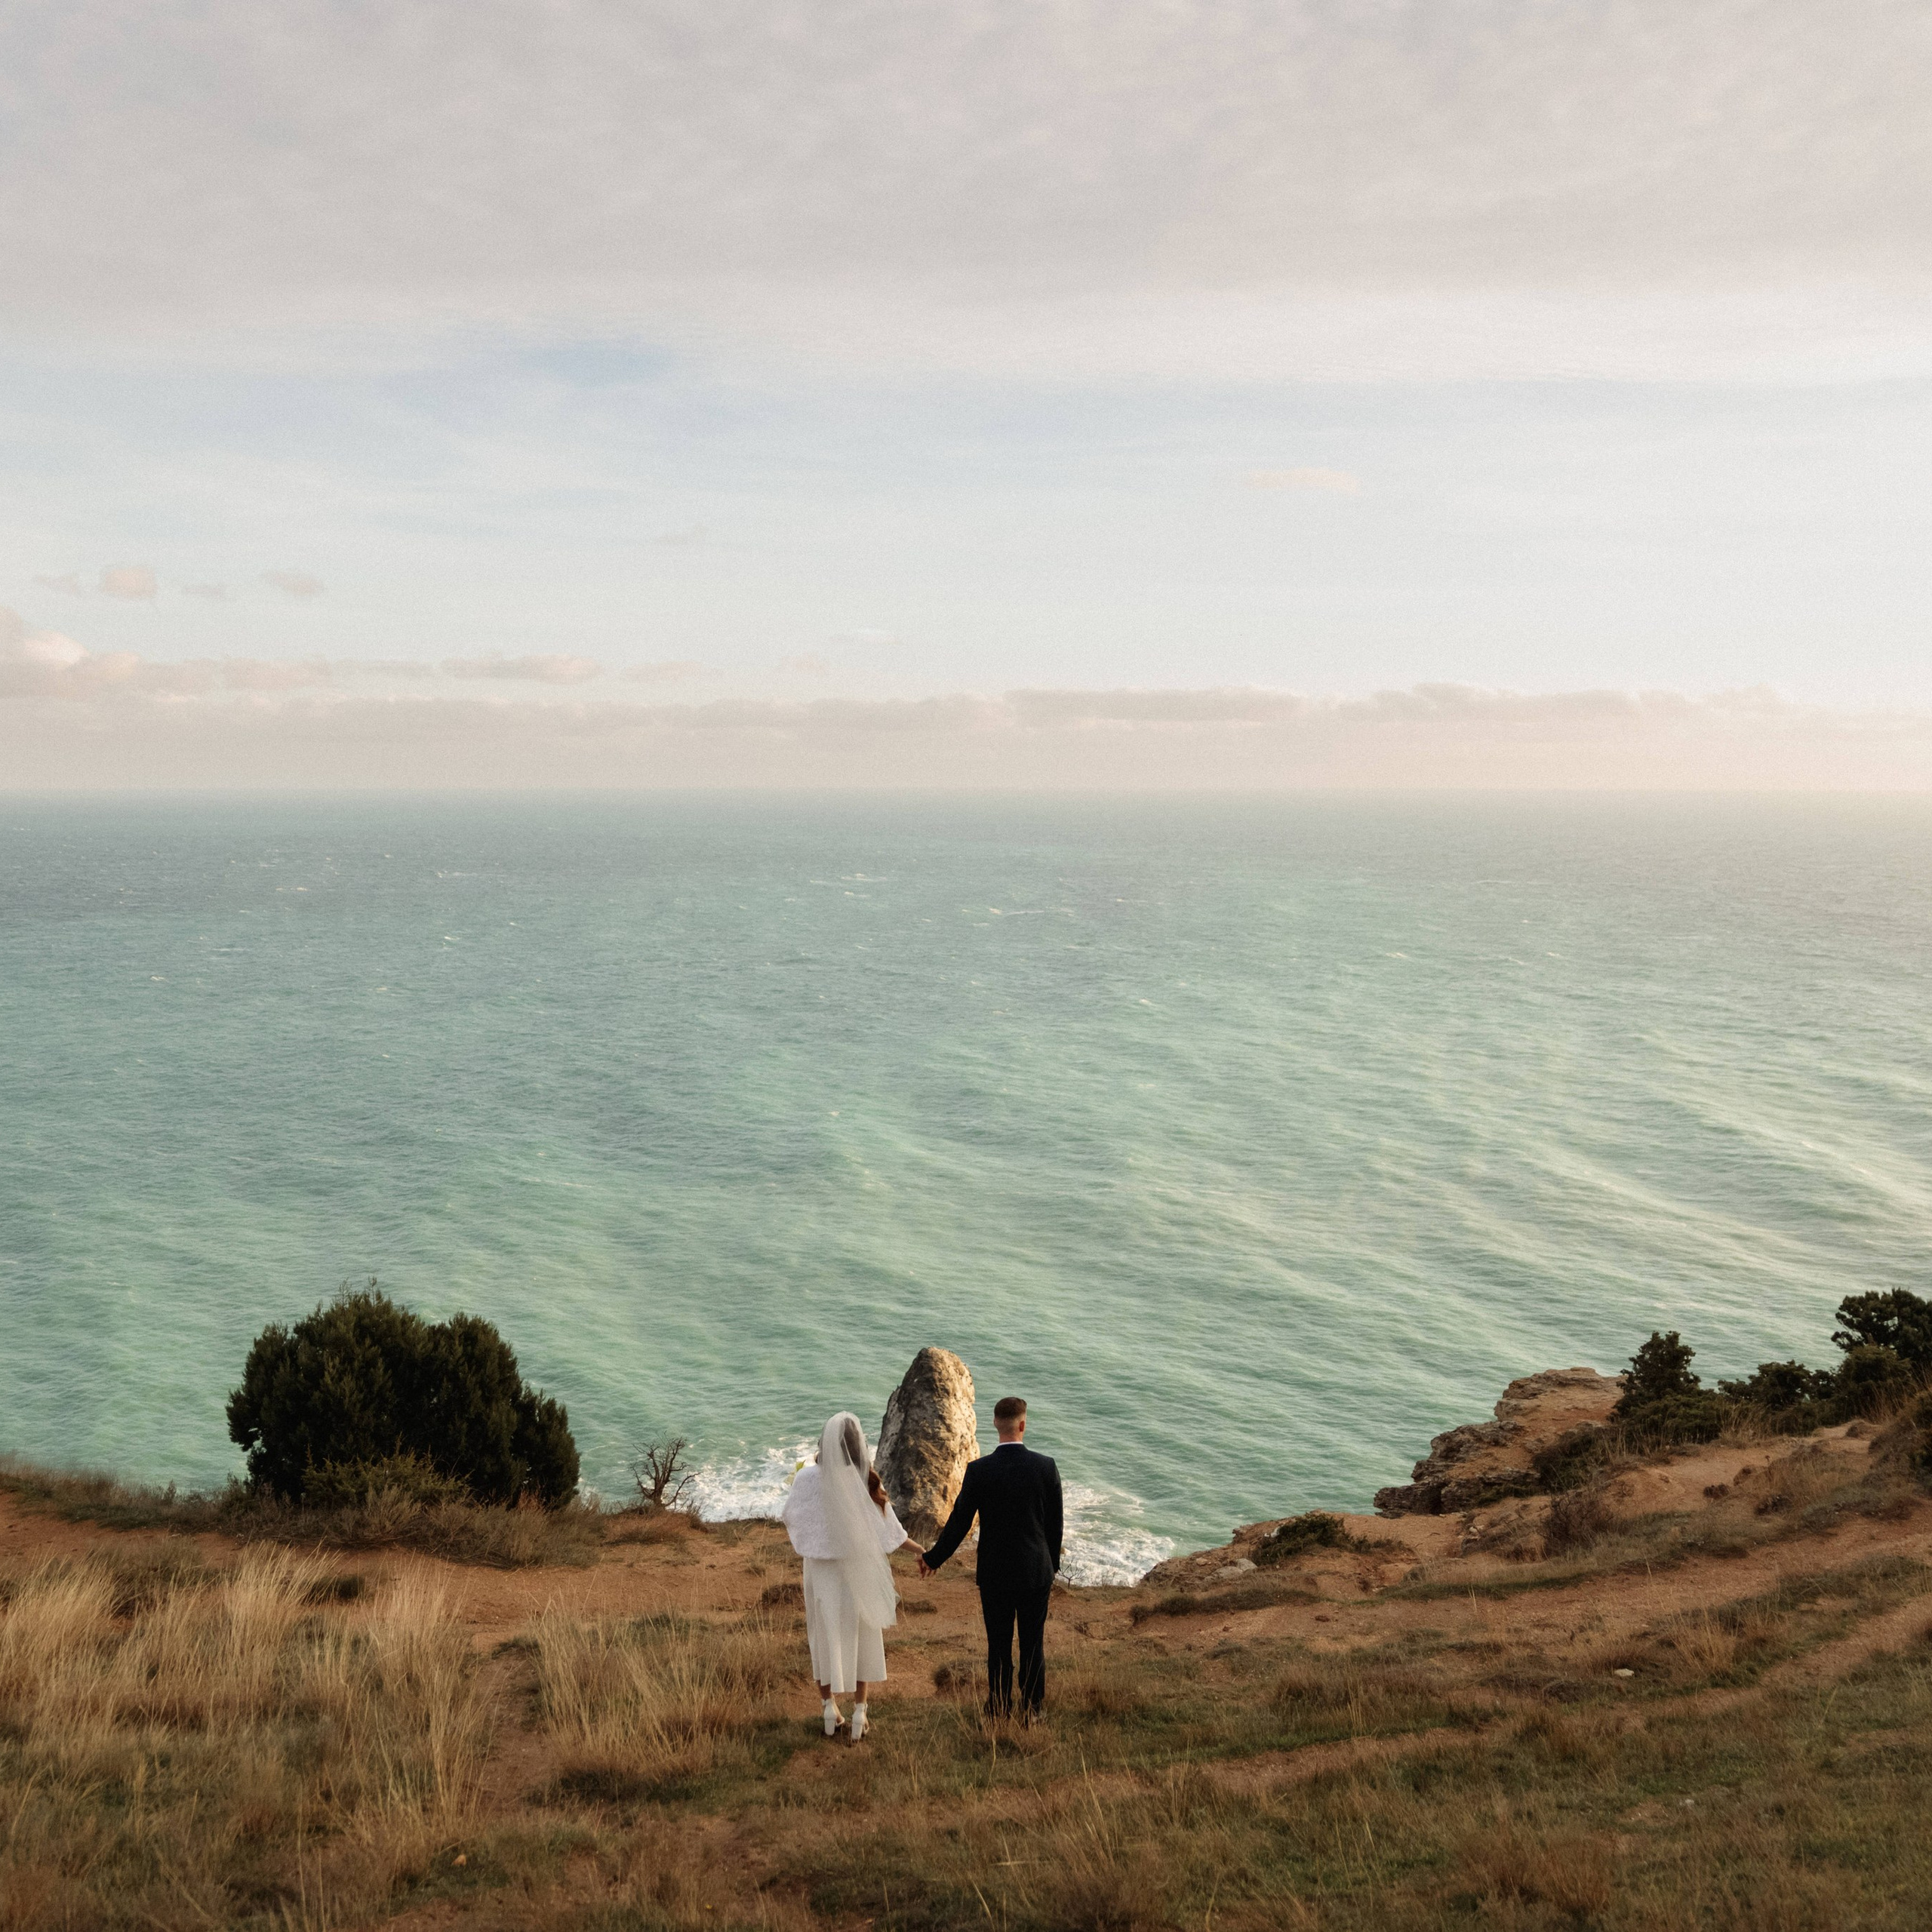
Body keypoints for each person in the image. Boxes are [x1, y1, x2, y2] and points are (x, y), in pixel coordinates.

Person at [918, 1395, 1063, 1720]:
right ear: (1023, 1425)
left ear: (995, 1424)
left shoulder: (979, 1470)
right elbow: (1055, 1526)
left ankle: (998, 1708)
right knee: (1033, 1644)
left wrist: (933, 1558)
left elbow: (959, 1522)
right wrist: (1051, 1566)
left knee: (998, 1645)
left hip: (995, 1573)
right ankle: (1032, 1709)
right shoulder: (1045, 1467)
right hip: (1035, 1571)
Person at [780, 1411, 921, 1742]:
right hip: (857, 1567)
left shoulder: (807, 1478)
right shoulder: (864, 1480)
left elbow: (791, 1517)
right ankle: (859, 1713)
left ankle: (829, 1708)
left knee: (823, 1635)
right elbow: (890, 1530)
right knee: (862, 1636)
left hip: (820, 1571)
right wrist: (921, 1551)